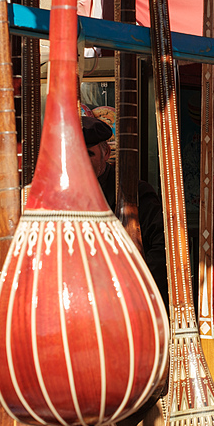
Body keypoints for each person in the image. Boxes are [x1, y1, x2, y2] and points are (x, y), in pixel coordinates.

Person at [82, 114, 168, 304]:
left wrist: (138, 289)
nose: (81, 161)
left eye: (89, 154)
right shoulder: (64, 196)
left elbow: (163, 248)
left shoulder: (135, 193)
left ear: (106, 153)